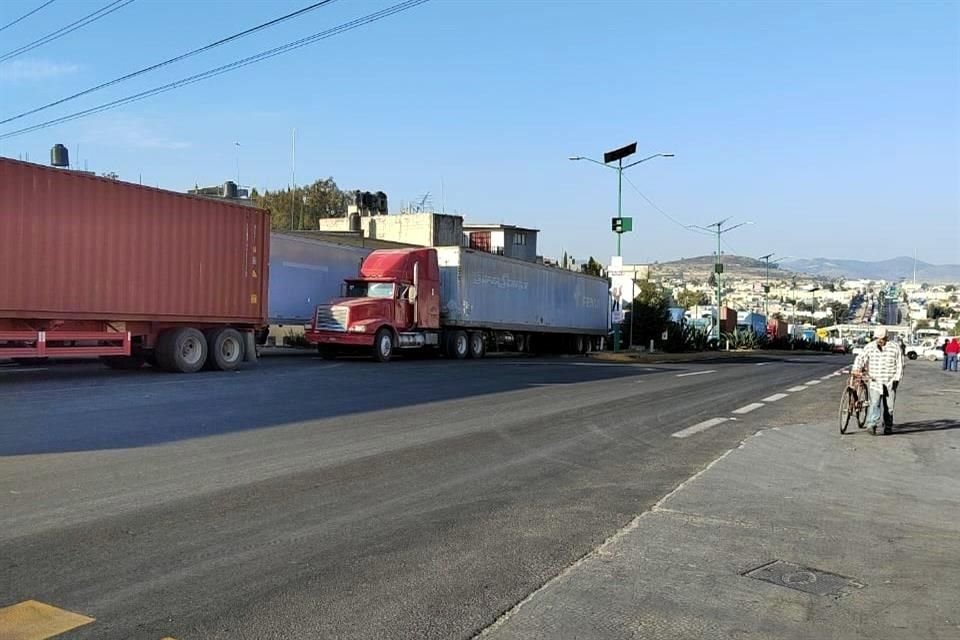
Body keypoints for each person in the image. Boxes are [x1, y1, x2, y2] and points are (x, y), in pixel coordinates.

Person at [852, 327, 904, 435]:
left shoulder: (895, 348)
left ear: (887, 337)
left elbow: (899, 364)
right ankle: (872, 424)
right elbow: (861, 358)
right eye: (878, 338)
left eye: (883, 338)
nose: (880, 340)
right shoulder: (870, 347)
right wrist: (857, 368)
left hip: (890, 381)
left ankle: (888, 426)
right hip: (875, 380)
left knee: (889, 406)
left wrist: (897, 378)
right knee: (875, 403)